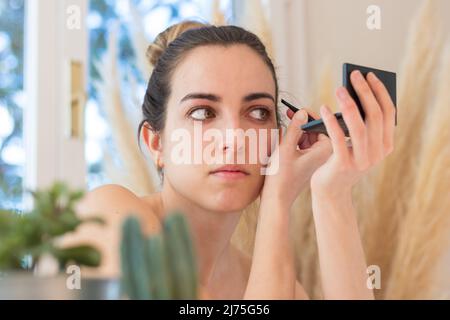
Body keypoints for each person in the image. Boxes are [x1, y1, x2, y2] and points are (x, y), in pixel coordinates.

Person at [76, 21, 396, 299]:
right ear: (156, 142)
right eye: (203, 112)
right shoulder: (106, 218)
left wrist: (333, 194)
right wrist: (277, 201)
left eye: (257, 112)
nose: (234, 138)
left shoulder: (266, 280)